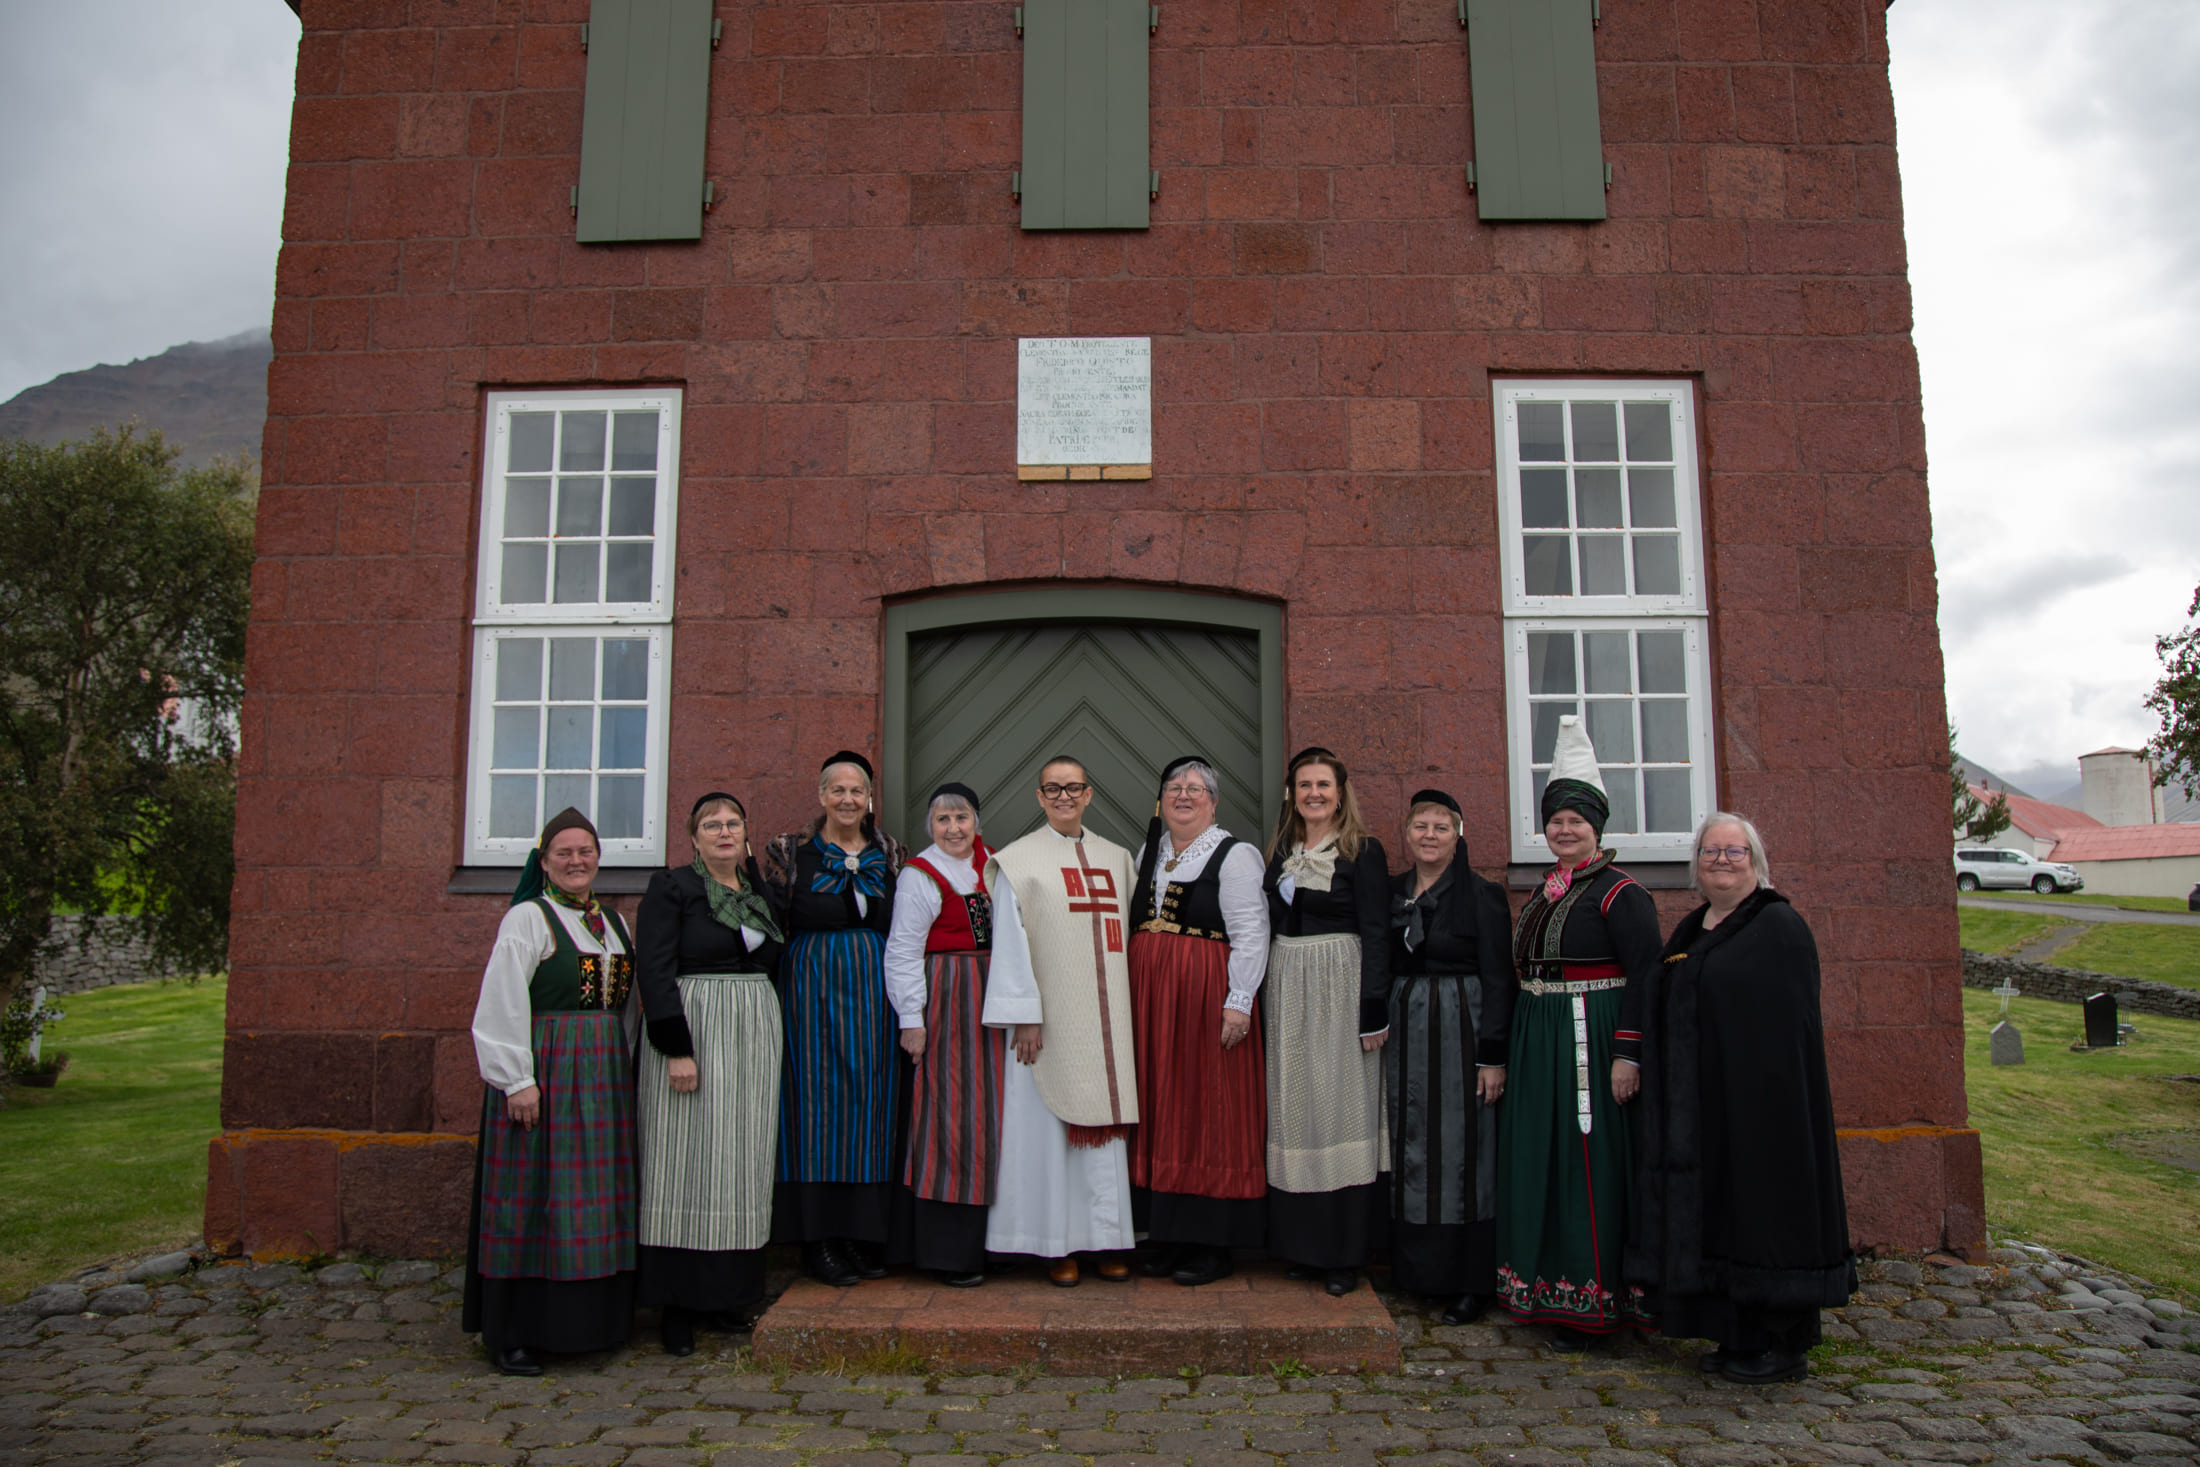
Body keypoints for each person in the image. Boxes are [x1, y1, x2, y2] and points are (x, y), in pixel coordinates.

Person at [1627, 813, 1856, 1385]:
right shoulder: (1695, 927)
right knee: (1720, 1219)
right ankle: (1735, 1335)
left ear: (1755, 861)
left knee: (1763, 1218)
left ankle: (1781, 1345)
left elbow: (1788, 1026)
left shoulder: (1779, 926)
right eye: (1710, 851)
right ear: (1696, 864)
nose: (1721, 861)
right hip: (1705, 1106)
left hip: (1763, 1109)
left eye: (1734, 852)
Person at [1496, 714, 1659, 1349]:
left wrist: (1628, 1054)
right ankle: (1548, 1291)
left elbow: (1647, 976)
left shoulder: (1622, 894)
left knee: (1588, 1163)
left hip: (1591, 1039)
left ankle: (1597, 1303)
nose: (1564, 830)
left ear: (1597, 827)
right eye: (1555, 821)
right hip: (1540, 1040)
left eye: (1576, 821)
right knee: (1545, 1156)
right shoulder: (1545, 892)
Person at [463, 807, 638, 1376]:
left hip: (603, 1077)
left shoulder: (614, 922)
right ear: (543, 862)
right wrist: (517, 1080)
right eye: (563, 853)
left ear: (599, 858)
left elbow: (624, 1009)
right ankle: (517, 1333)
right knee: (536, 1197)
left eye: (585, 851)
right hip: (549, 1072)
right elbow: (502, 1000)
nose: (575, 861)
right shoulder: (527, 919)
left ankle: (590, 1325)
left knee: (592, 1198)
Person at [632, 792, 784, 1356]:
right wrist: (676, 1048)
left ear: (746, 832)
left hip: (751, 1036)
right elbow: (654, 969)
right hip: (694, 1031)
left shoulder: (757, 892)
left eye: (733, 823)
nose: (724, 832)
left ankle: (726, 1296)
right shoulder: (673, 888)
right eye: (711, 825)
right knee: (684, 1160)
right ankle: (675, 1306)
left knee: (739, 1161)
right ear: (693, 837)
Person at [981, 755, 1140, 1286]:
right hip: (1047, 1025)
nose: (1064, 797)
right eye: (1053, 789)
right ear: (1039, 797)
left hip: (1107, 1022)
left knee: (1103, 1140)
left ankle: (1107, 1240)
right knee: (1049, 1138)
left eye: (1073, 788)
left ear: (1089, 794)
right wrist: (1025, 1015)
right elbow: (1009, 944)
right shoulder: (1019, 862)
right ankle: (1056, 1245)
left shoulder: (1117, 859)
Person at [763, 752, 907, 1286]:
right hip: (811, 989)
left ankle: (859, 1233)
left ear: (869, 798)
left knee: (869, 1104)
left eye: (857, 791)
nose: (848, 799)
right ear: (822, 795)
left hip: (873, 993)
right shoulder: (789, 853)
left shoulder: (890, 853)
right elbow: (769, 924)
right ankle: (819, 1239)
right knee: (815, 1106)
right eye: (838, 790)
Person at [1127, 756, 1270, 1287]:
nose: (1183, 796)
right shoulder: (1149, 852)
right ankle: (1166, 1235)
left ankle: (1211, 1243)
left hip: (1205, 998)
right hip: (1152, 1001)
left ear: (1213, 801)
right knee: (1162, 1105)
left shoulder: (1235, 855)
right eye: (1174, 788)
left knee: (1208, 1106)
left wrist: (1239, 1001)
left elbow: (1251, 932)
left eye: (1195, 788)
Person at [1261, 746, 1391, 1297]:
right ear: (1292, 794)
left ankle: (1344, 1254)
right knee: (1296, 1109)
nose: (1314, 794)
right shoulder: (1283, 852)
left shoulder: (1363, 850)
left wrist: (1373, 1009)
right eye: (1305, 785)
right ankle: (1304, 1248)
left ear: (1340, 794)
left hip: (1341, 984)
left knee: (1340, 1109)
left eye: (1323, 785)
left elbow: (1378, 931)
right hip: (1288, 984)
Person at [1385, 789, 1517, 1325]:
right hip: (1406, 1038)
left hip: (1462, 1033)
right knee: (1412, 1143)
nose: (1430, 836)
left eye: (1441, 827)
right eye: (1421, 826)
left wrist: (1493, 1057)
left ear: (1458, 836)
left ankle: (1469, 1281)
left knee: (1464, 1150)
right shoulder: (1393, 892)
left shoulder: (1482, 895)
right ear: (1407, 834)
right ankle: (1419, 1272)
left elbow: (1500, 978)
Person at [883, 782, 1005, 1288]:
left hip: (995, 999)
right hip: (949, 997)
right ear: (930, 826)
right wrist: (911, 1019)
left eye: (961, 818)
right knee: (951, 1114)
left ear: (977, 822)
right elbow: (902, 950)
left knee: (994, 1115)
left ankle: (998, 1242)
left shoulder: (994, 863)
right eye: (942, 820)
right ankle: (948, 1251)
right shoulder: (920, 874)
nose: (953, 829)